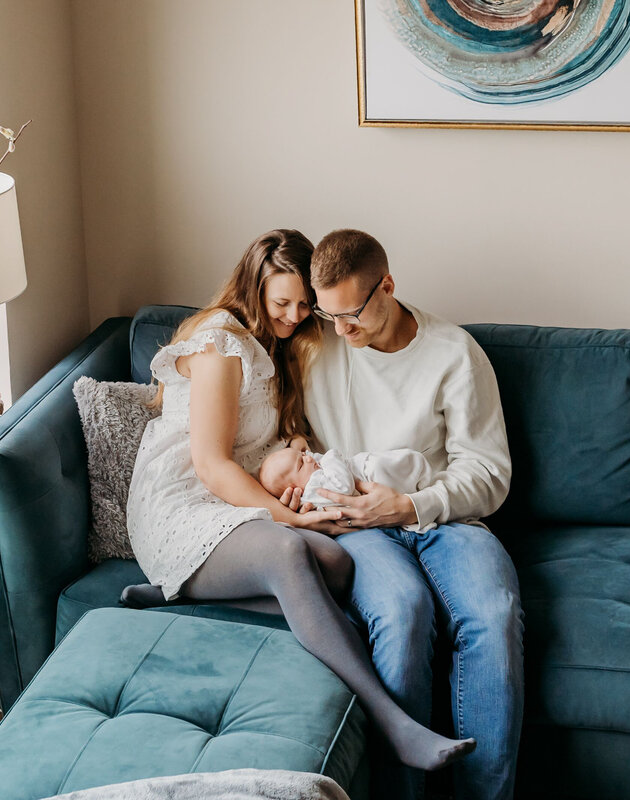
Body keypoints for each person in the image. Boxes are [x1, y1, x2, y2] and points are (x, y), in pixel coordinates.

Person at [122, 229, 475, 773]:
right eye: (280, 302)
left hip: (239, 502)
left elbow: (272, 437)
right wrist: (294, 519)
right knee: (294, 555)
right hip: (184, 501)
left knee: (334, 564)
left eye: (303, 305)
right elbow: (213, 466)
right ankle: (396, 724)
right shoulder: (220, 342)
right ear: (253, 288)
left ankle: (178, 592)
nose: (293, 316)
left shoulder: (285, 343)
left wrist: (297, 449)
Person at [298, 229, 523, 800]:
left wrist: (409, 504)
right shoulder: (318, 345)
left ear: (388, 287)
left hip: (446, 522)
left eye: (351, 314)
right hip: (357, 528)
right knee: (401, 613)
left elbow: (490, 474)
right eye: (328, 316)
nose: (341, 330)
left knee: (493, 616)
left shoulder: (454, 353)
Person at [258, 445, 435, 517]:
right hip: (367, 475)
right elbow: (343, 487)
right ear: (294, 488)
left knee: (394, 465)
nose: (310, 459)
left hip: (364, 473)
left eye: (303, 455)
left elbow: (316, 458)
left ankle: (420, 477)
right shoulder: (313, 490)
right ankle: (420, 479)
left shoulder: (313, 476)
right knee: (382, 467)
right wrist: (331, 456)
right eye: (301, 464)